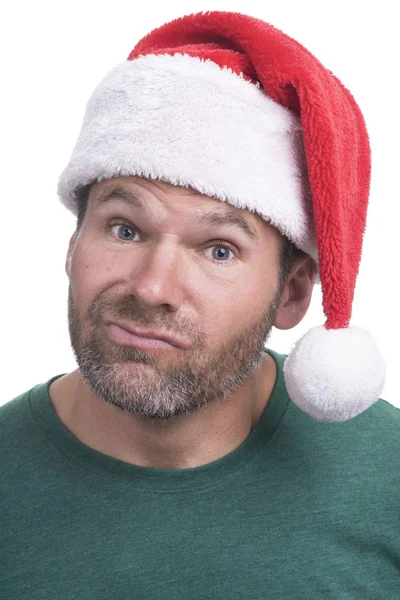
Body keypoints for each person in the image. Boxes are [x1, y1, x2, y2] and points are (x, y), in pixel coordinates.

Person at [1, 10, 399, 599]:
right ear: (72, 243)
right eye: (124, 229)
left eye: (218, 249)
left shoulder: (387, 479)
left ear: (291, 294)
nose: (151, 288)